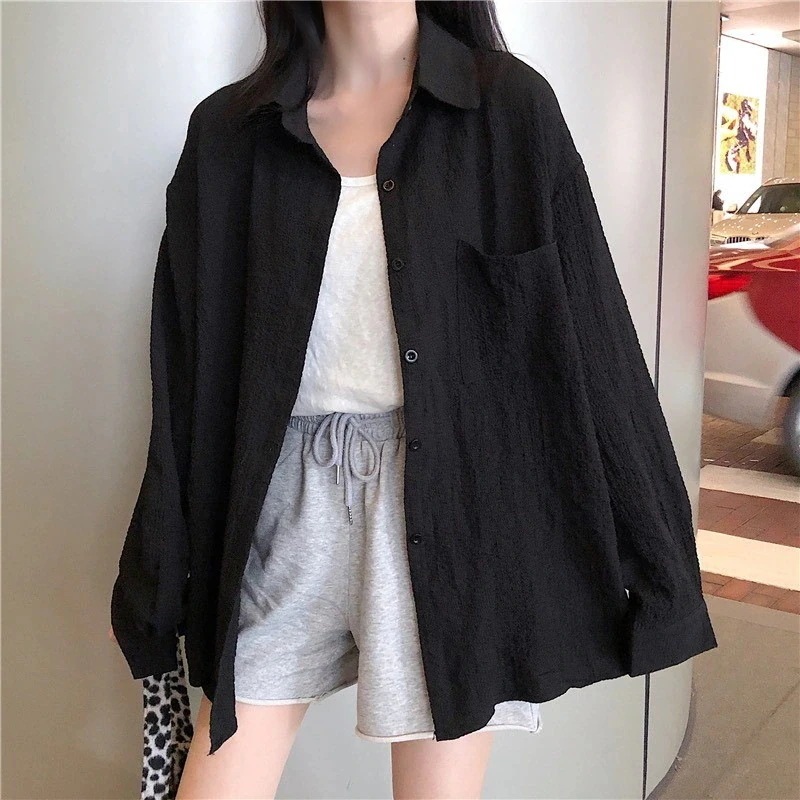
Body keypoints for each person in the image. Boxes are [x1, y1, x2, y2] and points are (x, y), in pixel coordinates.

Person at [110, 1, 718, 798]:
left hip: (450, 497)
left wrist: (660, 564)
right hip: (282, 499)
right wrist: (159, 579)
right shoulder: (230, 132)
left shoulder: (507, 108)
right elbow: (186, 368)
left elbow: (593, 335)